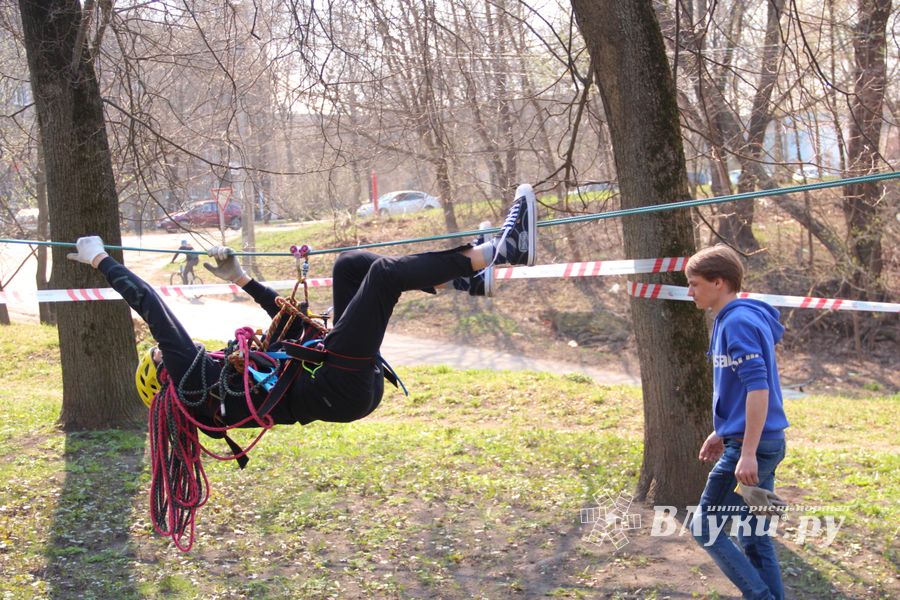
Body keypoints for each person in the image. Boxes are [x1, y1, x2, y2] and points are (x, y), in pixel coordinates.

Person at [66, 184, 538, 427]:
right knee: (382, 276)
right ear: (166, 375)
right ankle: (504, 248)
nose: (167, 349)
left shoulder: (218, 389)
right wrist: (102, 260)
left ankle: (467, 279)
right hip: (340, 383)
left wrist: (242, 280)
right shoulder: (197, 382)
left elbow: (288, 334)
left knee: (352, 265)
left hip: (337, 379)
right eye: (159, 357)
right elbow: (150, 304)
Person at [686, 245, 790, 600]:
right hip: (756, 439)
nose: (690, 292)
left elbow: (759, 390)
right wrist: (722, 430)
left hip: (754, 445)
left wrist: (745, 452)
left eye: (695, 283)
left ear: (719, 282)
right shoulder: (729, 319)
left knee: (704, 526)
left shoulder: (739, 321)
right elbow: (738, 388)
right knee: (754, 537)